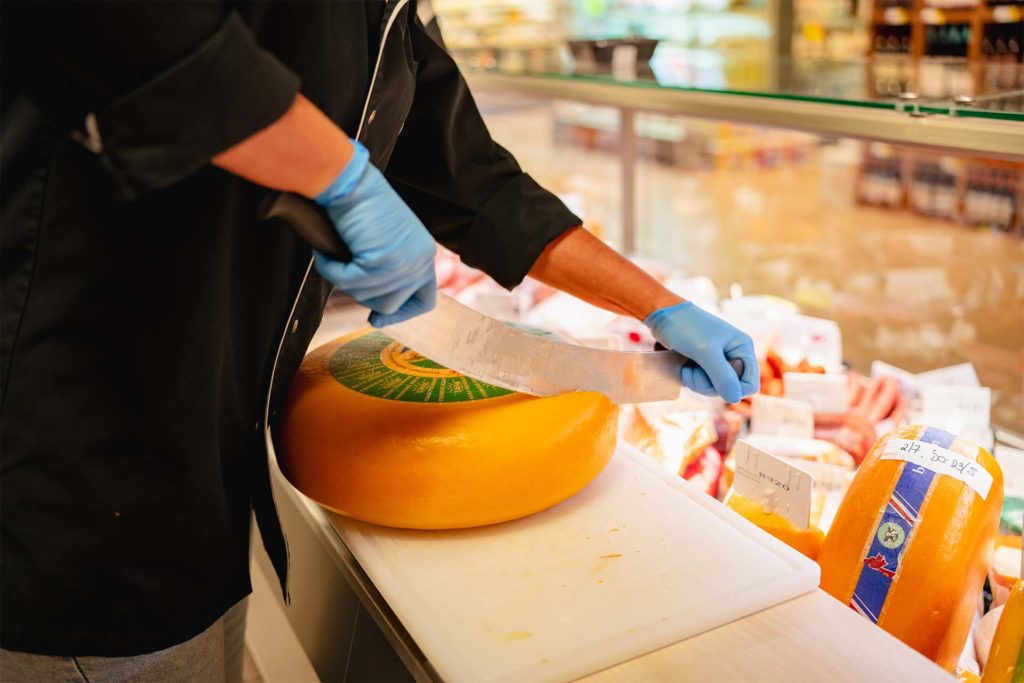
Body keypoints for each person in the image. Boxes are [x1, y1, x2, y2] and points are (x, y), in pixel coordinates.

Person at [0, 1, 759, 680]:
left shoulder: (390, 14)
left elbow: (475, 181)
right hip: (77, 461)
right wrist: (342, 179)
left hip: (197, 462)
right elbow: (124, 26)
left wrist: (660, 308)